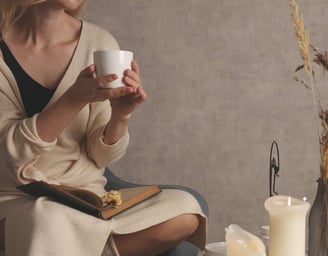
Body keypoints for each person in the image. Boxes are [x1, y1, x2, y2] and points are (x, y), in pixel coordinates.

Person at [0, 1, 207, 256]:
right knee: (47, 218)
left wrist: (121, 116)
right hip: (19, 197)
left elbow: (101, 156)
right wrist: (74, 99)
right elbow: (11, 153)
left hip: (88, 198)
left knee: (186, 210)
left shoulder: (99, 42)